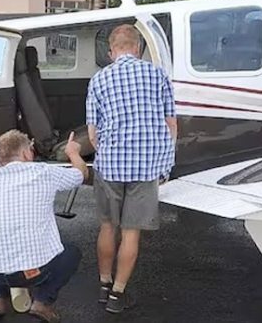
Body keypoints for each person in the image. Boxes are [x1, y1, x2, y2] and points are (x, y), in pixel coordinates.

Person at [86, 24, 177, 314]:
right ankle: (117, 296)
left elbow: (92, 133)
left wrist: (108, 152)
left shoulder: (99, 79)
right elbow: (171, 124)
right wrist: (165, 163)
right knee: (131, 232)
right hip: (146, 166)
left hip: (110, 166)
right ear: (138, 49)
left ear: (112, 51)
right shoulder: (158, 74)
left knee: (107, 226)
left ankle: (103, 284)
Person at [0, 130, 89, 323]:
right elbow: (81, 174)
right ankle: (42, 302)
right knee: (72, 254)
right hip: (35, 271)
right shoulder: (42, 172)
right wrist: (73, 153)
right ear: (26, 154)